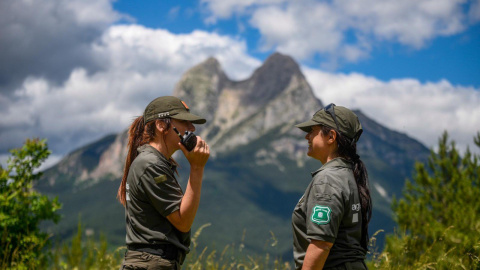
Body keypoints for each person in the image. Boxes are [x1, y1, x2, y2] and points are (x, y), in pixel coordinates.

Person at [117, 96, 210, 270]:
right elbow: (183, 222)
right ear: (161, 125)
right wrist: (197, 168)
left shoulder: (153, 161)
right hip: (152, 263)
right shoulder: (150, 164)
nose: (192, 128)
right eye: (184, 122)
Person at [292, 103, 372, 270]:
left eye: (312, 131)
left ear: (331, 137)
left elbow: (321, 244)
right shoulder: (349, 175)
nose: (307, 137)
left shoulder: (327, 179)